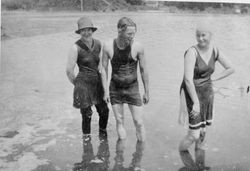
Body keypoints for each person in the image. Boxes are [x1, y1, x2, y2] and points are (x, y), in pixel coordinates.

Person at [178, 22, 235, 170]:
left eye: (203, 35)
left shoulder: (215, 50)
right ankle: (182, 154)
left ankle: (200, 163)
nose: (200, 38)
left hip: (207, 93)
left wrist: (214, 79)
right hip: (192, 93)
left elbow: (231, 68)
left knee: (203, 132)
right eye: (198, 35)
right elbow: (188, 80)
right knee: (193, 135)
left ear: (211, 35)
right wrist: (195, 102)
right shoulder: (192, 52)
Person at [101, 17, 149, 142]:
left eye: (134, 33)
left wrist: (147, 91)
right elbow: (103, 70)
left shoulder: (138, 47)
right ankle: (120, 155)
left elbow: (143, 70)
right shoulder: (107, 46)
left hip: (132, 88)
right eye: (129, 34)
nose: (132, 36)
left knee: (138, 122)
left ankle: (140, 152)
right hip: (115, 88)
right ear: (119, 31)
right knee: (119, 120)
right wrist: (105, 91)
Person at [66, 17, 109, 140]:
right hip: (82, 84)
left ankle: (102, 134)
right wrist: (78, 84)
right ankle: (86, 140)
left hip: (97, 83)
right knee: (87, 114)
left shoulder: (100, 44)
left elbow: (103, 69)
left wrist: (105, 90)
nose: (86, 33)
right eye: (83, 30)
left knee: (104, 111)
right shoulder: (75, 47)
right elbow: (69, 71)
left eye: (88, 30)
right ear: (79, 32)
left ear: (92, 30)